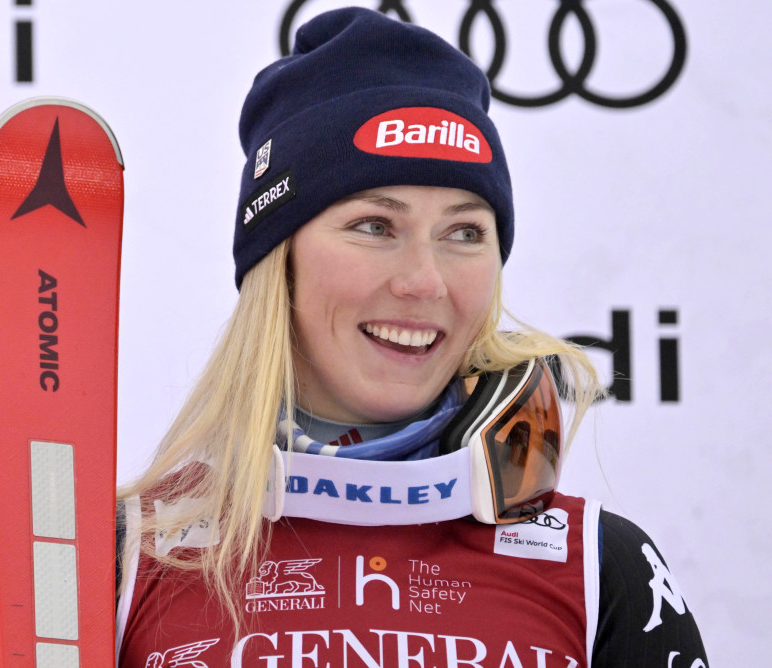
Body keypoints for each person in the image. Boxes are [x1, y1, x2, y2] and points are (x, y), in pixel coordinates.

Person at [113, 8, 708, 667]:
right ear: (279, 259)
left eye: (464, 232)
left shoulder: (604, 569)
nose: (425, 282)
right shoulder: (123, 557)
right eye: (375, 225)